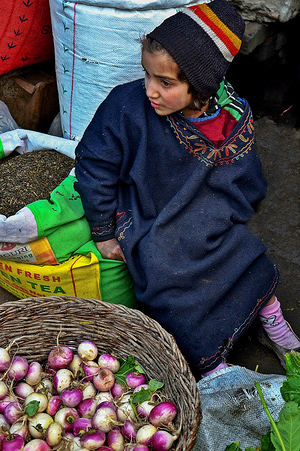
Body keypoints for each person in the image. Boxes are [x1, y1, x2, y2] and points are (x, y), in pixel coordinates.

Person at [74, 0, 300, 379]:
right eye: (147, 74)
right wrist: (103, 231)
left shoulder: (229, 115)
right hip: (149, 208)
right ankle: (211, 362)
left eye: (166, 82)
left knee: (242, 251)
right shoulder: (126, 107)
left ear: (201, 87)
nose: (150, 90)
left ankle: (269, 314)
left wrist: (226, 210)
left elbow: (245, 176)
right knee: (163, 275)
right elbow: (94, 164)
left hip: (206, 207)